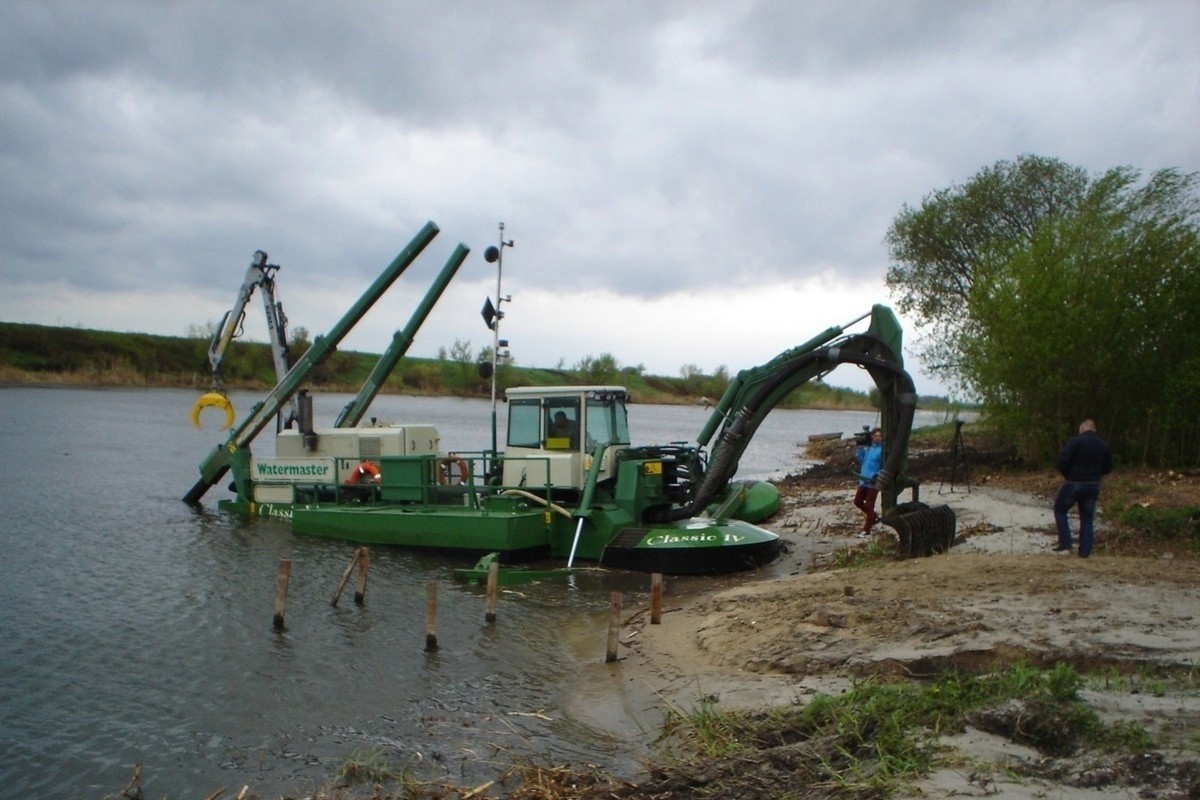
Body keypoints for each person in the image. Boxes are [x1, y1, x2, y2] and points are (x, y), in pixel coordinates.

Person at [1053, 419, 1113, 557]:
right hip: (1093, 485)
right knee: (1087, 518)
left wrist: (1067, 475)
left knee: (1060, 509)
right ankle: (1085, 552)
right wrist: (1096, 475)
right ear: (1094, 429)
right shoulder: (1103, 445)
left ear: (1083, 428)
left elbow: (1062, 460)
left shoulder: (1075, 442)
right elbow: (1108, 467)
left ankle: (1065, 545)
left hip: (1074, 482)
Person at [854, 427, 884, 534]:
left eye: (880, 436)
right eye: (876, 436)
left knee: (869, 505)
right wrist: (859, 447)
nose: (878, 438)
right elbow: (862, 460)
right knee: (857, 501)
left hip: (873, 481)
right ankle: (874, 517)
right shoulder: (869, 448)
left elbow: (884, 466)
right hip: (863, 480)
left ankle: (867, 529)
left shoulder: (882, 450)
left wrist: (877, 475)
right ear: (872, 437)